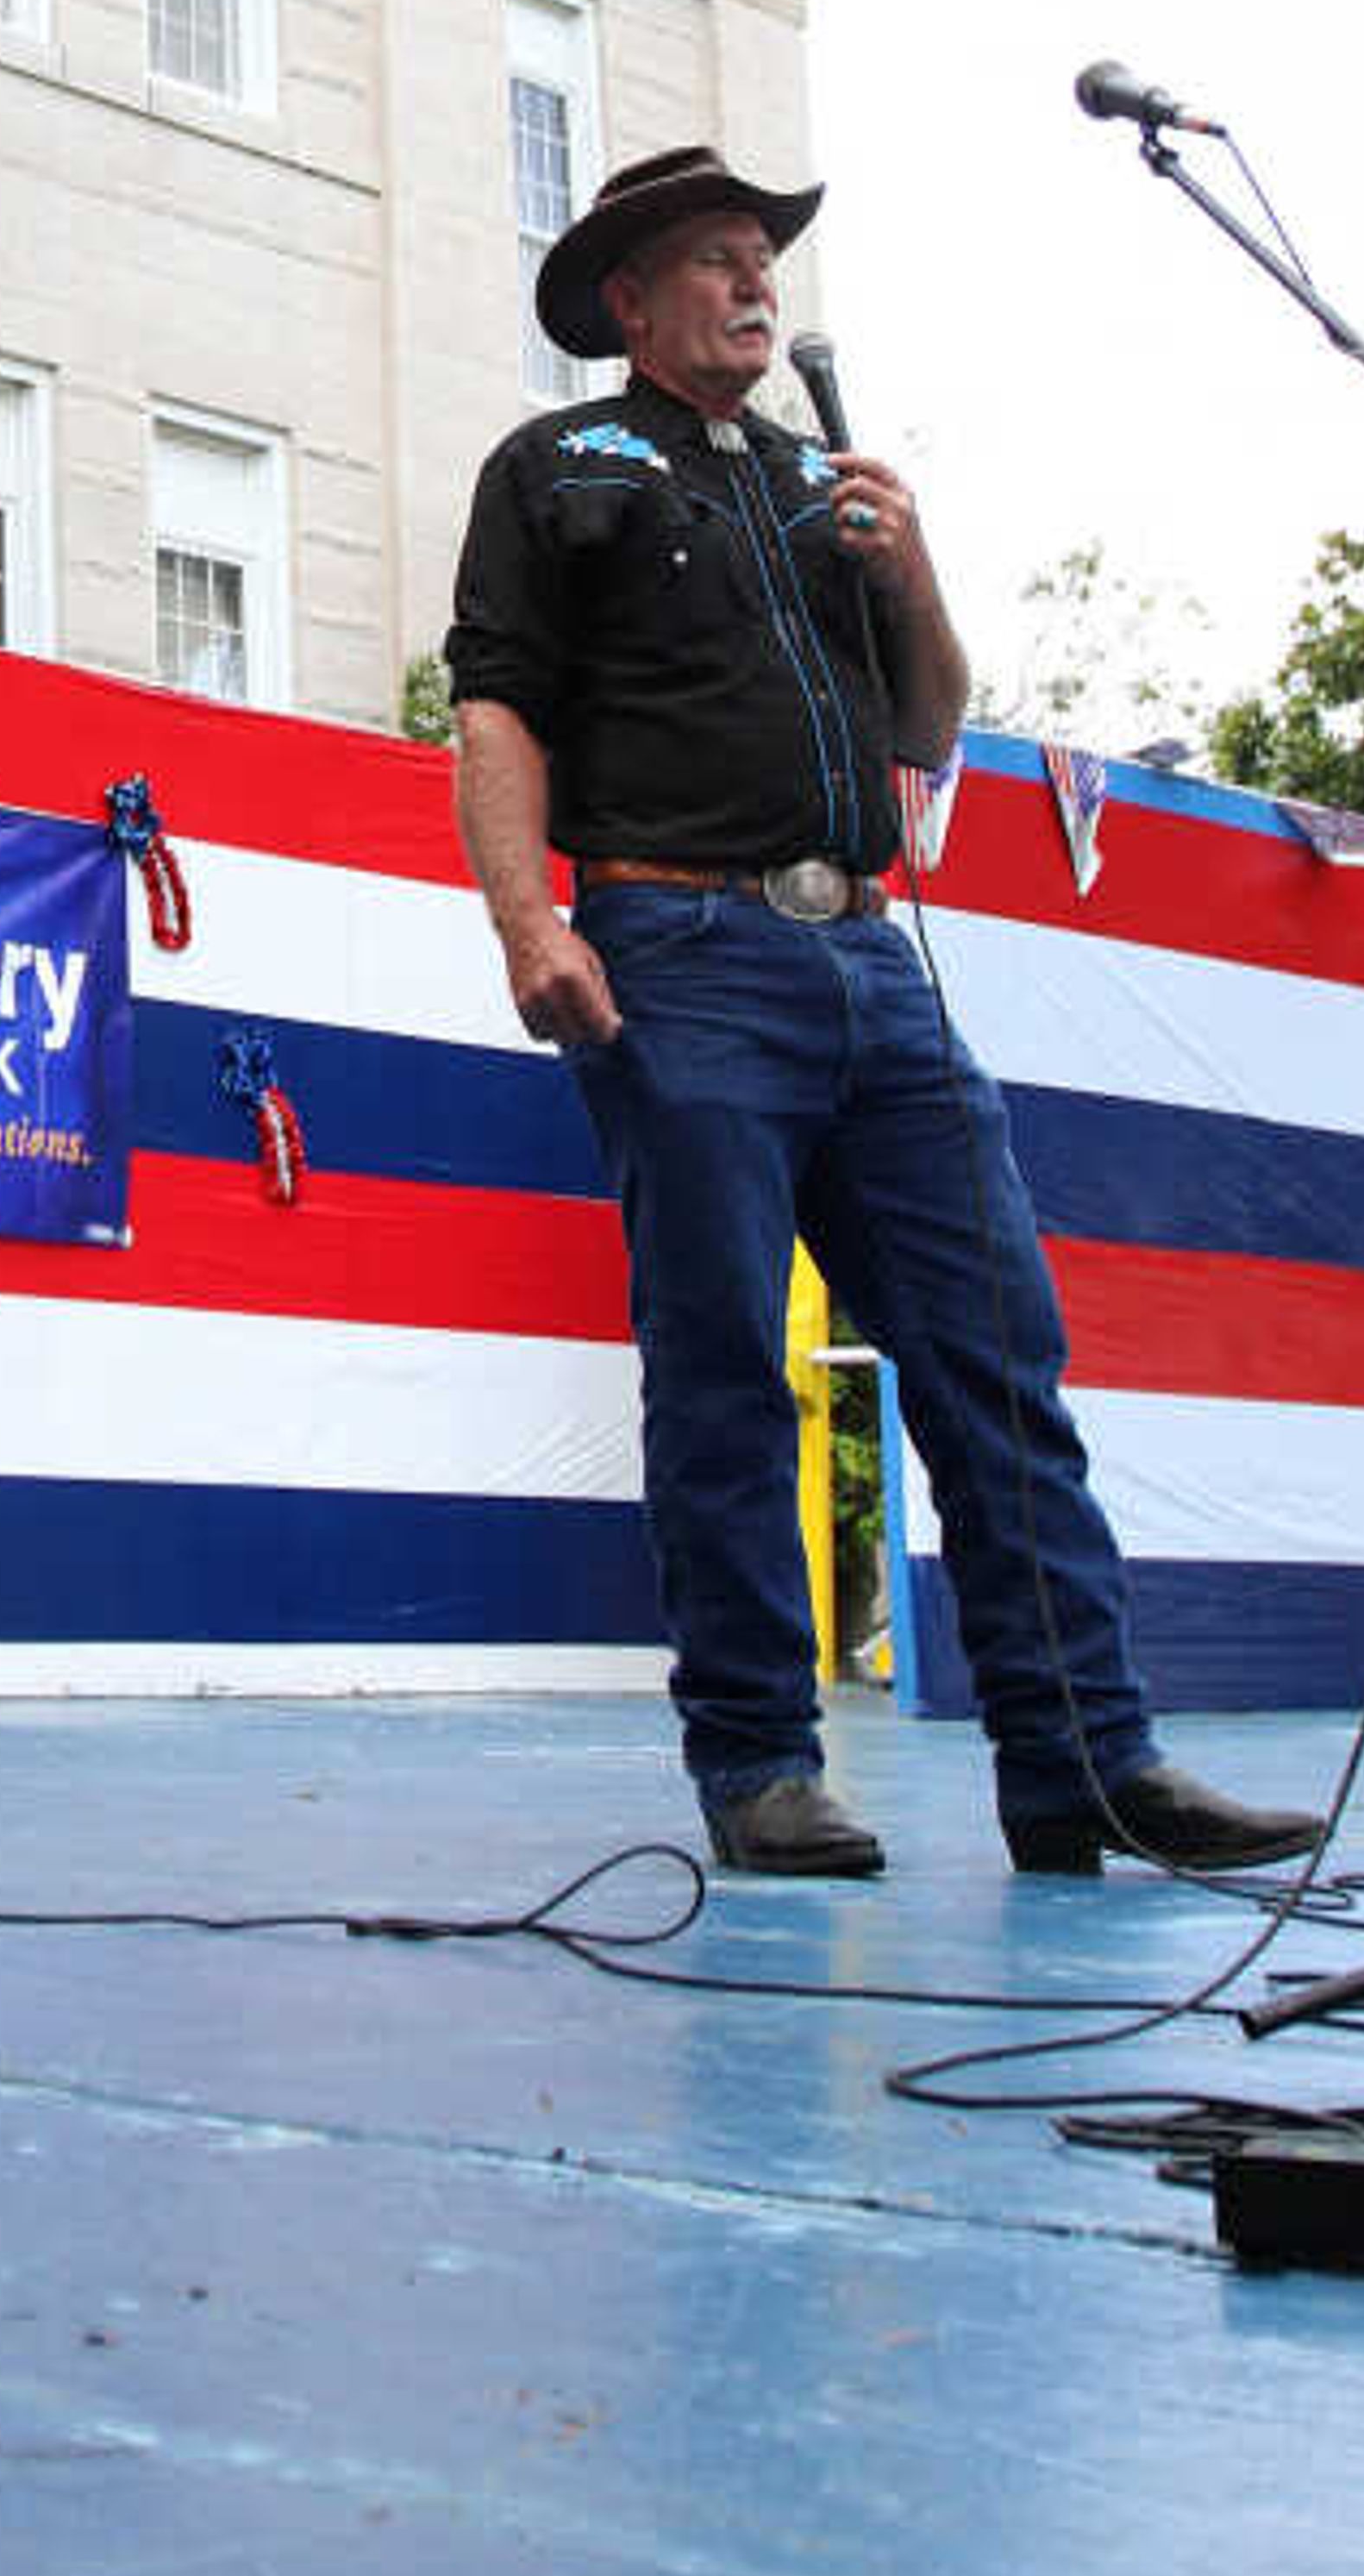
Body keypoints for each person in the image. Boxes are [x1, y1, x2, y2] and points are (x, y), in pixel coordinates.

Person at [446, 138, 1318, 1883]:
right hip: (679, 947)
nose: (754, 278)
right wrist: (531, 923)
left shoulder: (821, 489)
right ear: (628, 299)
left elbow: (927, 732)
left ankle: (1084, 1759)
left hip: (872, 960)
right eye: (712, 255)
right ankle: (762, 1764)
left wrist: (911, 564)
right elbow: (497, 709)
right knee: (722, 1373)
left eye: (763, 252)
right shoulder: (558, 465)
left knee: (1001, 1358)